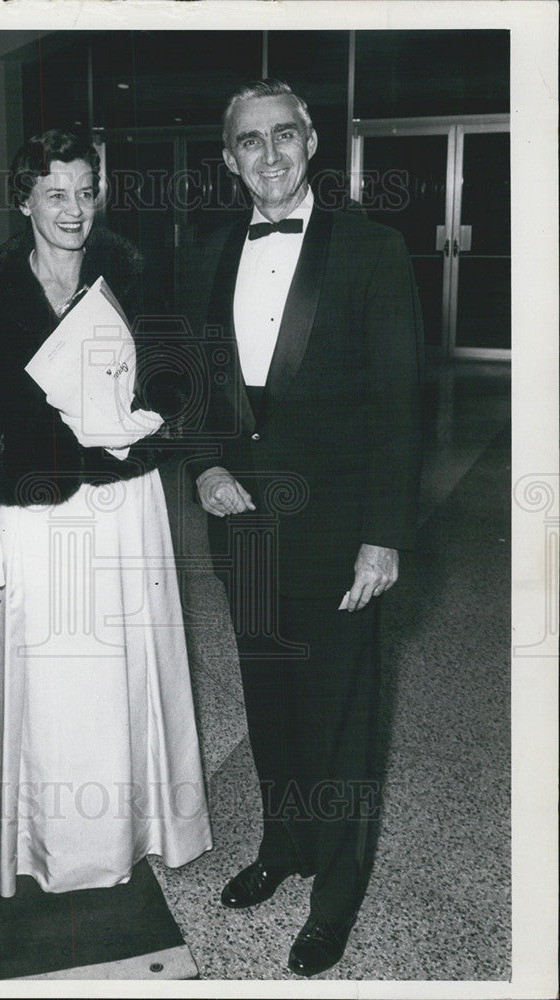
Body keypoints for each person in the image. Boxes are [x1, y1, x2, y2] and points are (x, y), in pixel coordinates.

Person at [186, 81, 423, 976]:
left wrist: (385, 533)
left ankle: (337, 891)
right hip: (244, 527)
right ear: (229, 158)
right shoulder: (208, 252)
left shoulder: (372, 249)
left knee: (343, 718)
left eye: (286, 135)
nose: (271, 155)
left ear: (313, 140)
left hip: (338, 533)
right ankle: (284, 845)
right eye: (251, 142)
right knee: (270, 701)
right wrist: (204, 465)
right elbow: (196, 387)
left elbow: (400, 401)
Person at [0, 128, 212, 898]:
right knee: (57, 683)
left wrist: (149, 418)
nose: (74, 209)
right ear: (24, 198)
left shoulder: (131, 272)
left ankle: (137, 832)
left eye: (86, 192)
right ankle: (55, 844)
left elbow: (175, 368)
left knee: (126, 677)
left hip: (125, 503)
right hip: (36, 511)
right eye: (55, 193)